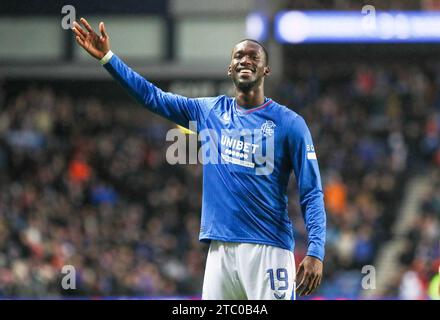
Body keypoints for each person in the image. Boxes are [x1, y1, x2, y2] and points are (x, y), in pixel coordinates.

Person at [72, 18, 326, 300]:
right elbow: (152, 97)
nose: (245, 60)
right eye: (238, 56)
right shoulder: (209, 111)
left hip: (268, 249)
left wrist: (315, 250)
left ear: (265, 69)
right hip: (219, 250)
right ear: (230, 68)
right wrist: (108, 58)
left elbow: (311, 192)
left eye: (253, 56)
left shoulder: (290, 123)